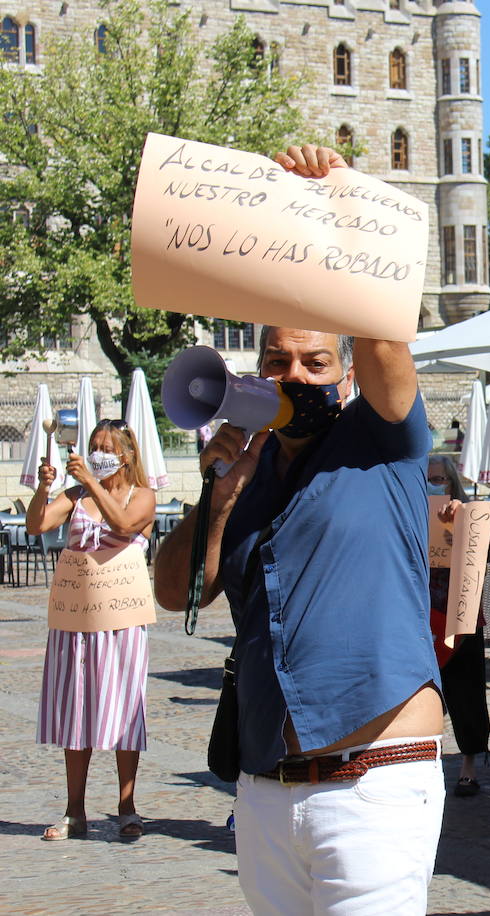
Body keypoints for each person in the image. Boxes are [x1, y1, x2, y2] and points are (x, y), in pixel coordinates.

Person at [154, 140, 445, 916]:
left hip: (373, 784)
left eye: (316, 363)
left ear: (344, 374)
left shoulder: (381, 436)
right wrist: (218, 493)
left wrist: (335, 201)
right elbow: (174, 590)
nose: (295, 378)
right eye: (278, 361)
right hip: (265, 793)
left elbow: (385, 332)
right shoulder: (249, 472)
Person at [30, 418, 156, 841]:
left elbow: (122, 524)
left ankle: (127, 806)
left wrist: (92, 483)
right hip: (77, 618)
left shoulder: (143, 497)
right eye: (93, 446)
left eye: (106, 447)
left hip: (121, 619)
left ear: (125, 454)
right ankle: (74, 810)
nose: (98, 453)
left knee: (124, 709)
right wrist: (44, 489)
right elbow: (38, 525)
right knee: (75, 708)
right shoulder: (77, 495)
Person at [426, 455, 489, 797]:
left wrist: (456, 538)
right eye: (428, 480)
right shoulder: (412, 516)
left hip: (459, 615)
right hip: (423, 614)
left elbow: (479, 564)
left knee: (466, 690)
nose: (434, 485)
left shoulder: (467, 516)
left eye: (440, 479)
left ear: (451, 482)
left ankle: (469, 763)